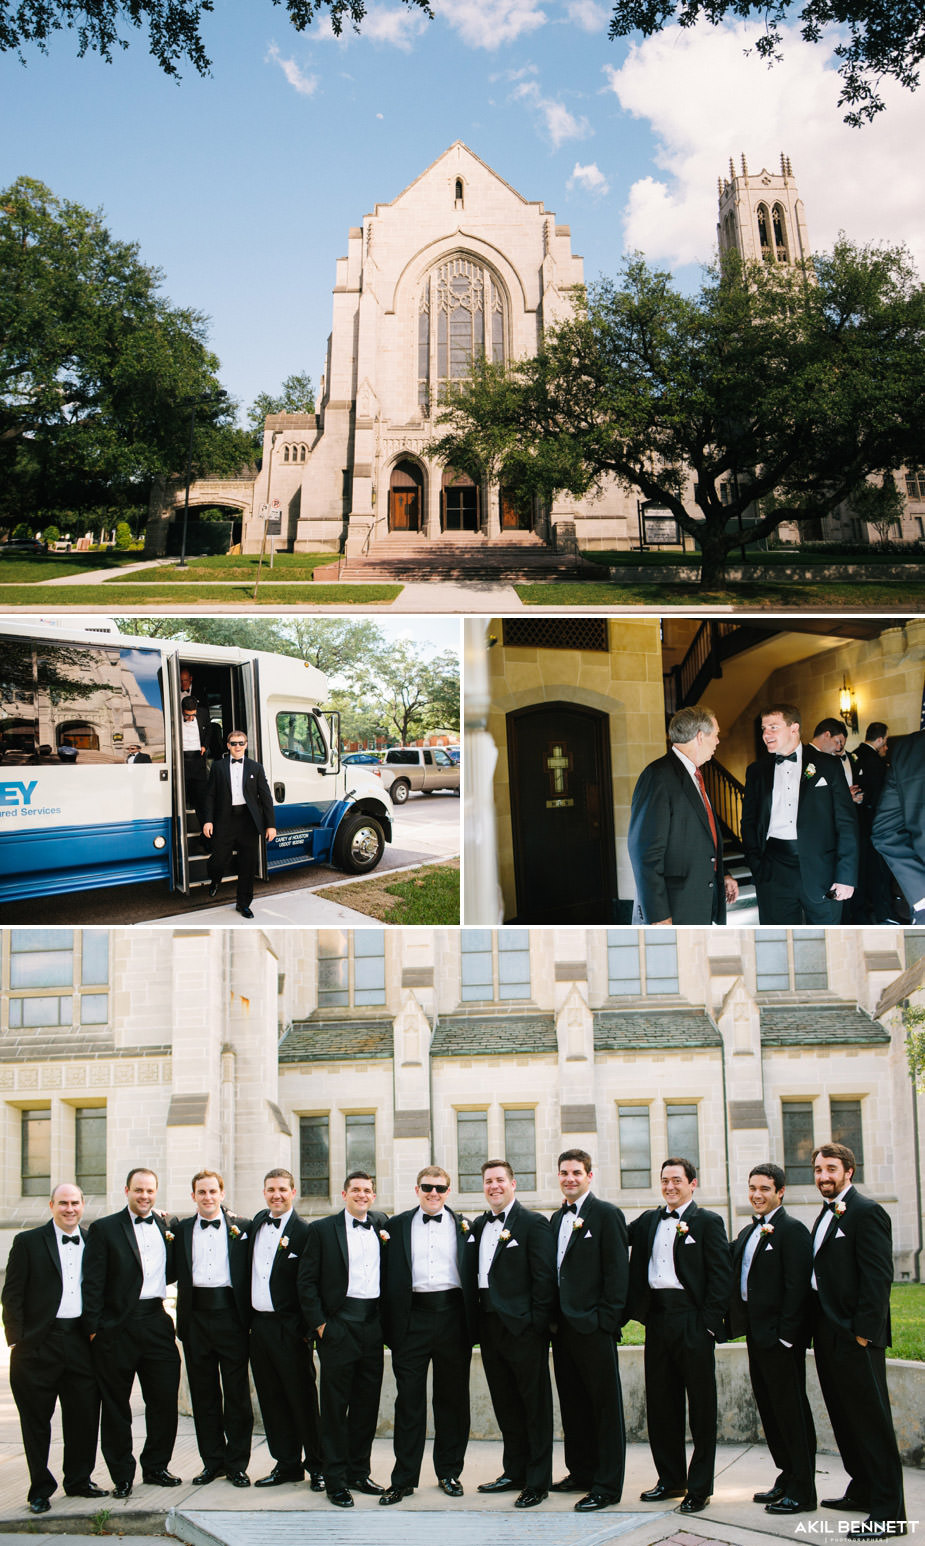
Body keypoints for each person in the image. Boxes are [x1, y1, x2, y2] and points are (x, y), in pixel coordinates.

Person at [810, 1143, 906, 1540]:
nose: (822, 1176)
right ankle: (863, 1489)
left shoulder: (867, 1212)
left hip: (856, 1338)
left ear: (849, 1171)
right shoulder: (827, 1212)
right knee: (846, 1421)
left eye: (830, 1168)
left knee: (870, 1424)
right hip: (828, 1335)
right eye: (817, 1170)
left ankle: (890, 1513)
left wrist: (864, 1332)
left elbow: (877, 1277)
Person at [626, 1157, 731, 1515]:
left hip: (692, 1320)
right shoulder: (649, 1220)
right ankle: (671, 1479)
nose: (670, 1187)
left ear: (692, 1184)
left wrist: (709, 1325)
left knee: (701, 1407)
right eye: (665, 1181)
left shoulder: (708, 1221)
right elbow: (616, 1234)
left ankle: (699, 1487)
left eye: (677, 1180)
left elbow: (721, 1276)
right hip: (658, 1319)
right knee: (661, 1404)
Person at [2, 1183, 107, 1516]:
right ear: (51, 1206)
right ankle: (40, 1489)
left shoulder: (94, 1241)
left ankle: (78, 1480)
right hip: (38, 1345)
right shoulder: (28, 1242)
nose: (70, 1208)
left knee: (84, 1416)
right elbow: (12, 1294)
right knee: (36, 1421)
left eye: (75, 1202)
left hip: (81, 1342)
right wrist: (18, 1340)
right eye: (63, 1203)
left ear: (82, 1205)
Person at [378, 1166, 476, 1505]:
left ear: (449, 1191)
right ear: (416, 1189)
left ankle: (449, 1472)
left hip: (453, 1318)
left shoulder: (466, 1226)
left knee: (452, 1400)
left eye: (440, 1188)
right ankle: (403, 1478)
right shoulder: (394, 1226)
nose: (433, 1193)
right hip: (411, 1320)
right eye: (427, 1187)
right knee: (409, 1402)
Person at [81, 1167, 181, 1499]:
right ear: (127, 1190)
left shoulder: (168, 1225)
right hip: (116, 1327)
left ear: (156, 1192)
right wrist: (94, 1329)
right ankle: (122, 1474)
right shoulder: (104, 1228)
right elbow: (92, 1282)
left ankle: (156, 1466)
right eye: (138, 1190)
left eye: (150, 1191)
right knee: (116, 1407)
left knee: (164, 1400)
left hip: (156, 1320)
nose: (144, 1196)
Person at [298, 1171, 390, 1509]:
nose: (362, 1195)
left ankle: (358, 1472)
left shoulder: (382, 1224)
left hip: (372, 1327)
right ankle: (334, 1480)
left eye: (367, 1190)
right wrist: (321, 1326)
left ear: (373, 1196)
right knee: (336, 1409)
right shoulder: (322, 1230)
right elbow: (306, 1282)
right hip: (338, 1327)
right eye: (356, 1190)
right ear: (344, 1193)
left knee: (366, 1406)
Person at [728, 1164, 816, 1515]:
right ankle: (788, 1474)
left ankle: (804, 1489)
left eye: (764, 1188)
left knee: (791, 1413)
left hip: (780, 1340)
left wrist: (787, 1338)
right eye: (752, 1188)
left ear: (780, 1191)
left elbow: (798, 1288)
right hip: (756, 1334)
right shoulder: (750, 1231)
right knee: (771, 1410)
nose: (756, 1195)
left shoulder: (792, 1231)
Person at [467, 1159, 555, 1510]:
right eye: (488, 1181)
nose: (494, 1186)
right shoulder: (477, 1224)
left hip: (523, 1329)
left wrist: (535, 1325)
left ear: (513, 1184)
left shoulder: (533, 1223)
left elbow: (545, 1279)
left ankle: (537, 1481)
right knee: (505, 1404)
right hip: (489, 1327)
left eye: (500, 1180)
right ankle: (514, 1471)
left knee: (534, 1406)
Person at [550, 1149, 628, 1512]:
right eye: (564, 1172)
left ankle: (607, 1485)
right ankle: (581, 1471)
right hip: (563, 1330)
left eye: (576, 1172)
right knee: (574, 1406)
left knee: (604, 1408)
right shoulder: (555, 1218)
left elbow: (617, 1274)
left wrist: (606, 1322)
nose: (569, 1178)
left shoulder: (607, 1214)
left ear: (589, 1176)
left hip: (594, 1328)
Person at [172, 1170, 253, 1488]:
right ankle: (213, 1462)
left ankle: (237, 1464)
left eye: (212, 1192)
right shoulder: (180, 1229)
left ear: (221, 1193)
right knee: (204, 1395)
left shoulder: (242, 1227)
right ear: (193, 1196)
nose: (207, 1197)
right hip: (195, 1320)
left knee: (236, 1395)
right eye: (201, 1192)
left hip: (231, 1319)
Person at [741, 703, 858, 923]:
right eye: (764, 728)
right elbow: (748, 822)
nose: (766, 734)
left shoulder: (828, 766)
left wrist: (846, 876)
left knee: (827, 941)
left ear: (794, 728)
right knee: (777, 942)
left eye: (773, 727)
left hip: (822, 869)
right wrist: (756, 864)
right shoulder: (756, 771)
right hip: (773, 869)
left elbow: (846, 824)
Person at [247, 1169, 324, 1493]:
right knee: (272, 1399)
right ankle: (287, 1464)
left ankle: (318, 1466)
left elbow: (311, 1283)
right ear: (264, 1192)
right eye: (270, 1189)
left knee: (303, 1400)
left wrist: (307, 1330)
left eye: (282, 1189)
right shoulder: (254, 1226)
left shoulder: (305, 1231)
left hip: (290, 1329)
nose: (276, 1195)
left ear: (293, 1191)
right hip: (259, 1327)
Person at [628, 705, 738, 924]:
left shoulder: (695, 775)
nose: (718, 741)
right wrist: (658, 915)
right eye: (715, 735)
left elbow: (701, 836)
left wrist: (722, 873)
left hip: (699, 903)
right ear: (699, 737)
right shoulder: (658, 776)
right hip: (673, 908)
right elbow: (645, 853)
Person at [202, 730, 276, 919]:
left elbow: (266, 798)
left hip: (248, 822)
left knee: (248, 865)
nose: (237, 746)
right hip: (225, 820)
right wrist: (208, 820)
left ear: (246, 744)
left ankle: (243, 904)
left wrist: (270, 825)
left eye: (241, 743)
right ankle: (215, 878)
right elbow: (210, 796)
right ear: (227, 745)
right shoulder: (218, 767)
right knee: (218, 859)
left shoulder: (256, 768)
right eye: (233, 743)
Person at [873, 728, 925, 924]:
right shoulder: (909, 750)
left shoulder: (909, 748)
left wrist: (920, 895)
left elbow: (885, 831)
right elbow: (885, 830)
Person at [848, 722, 892, 921]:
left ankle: (867, 911)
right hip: (877, 825)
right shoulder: (875, 761)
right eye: (886, 741)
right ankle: (883, 913)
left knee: (864, 872)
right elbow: (880, 796)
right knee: (878, 873)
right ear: (880, 739)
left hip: (858, 825)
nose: (887, 747)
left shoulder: (853, 755)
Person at [180, 697, 210, 835]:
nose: (191, 718)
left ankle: (207, 840)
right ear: (181, 711)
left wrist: (204, 745)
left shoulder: (203, 713)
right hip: (181, 760)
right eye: (187, 715)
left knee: (202, 802)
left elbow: (209, 729)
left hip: (198, 760)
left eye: (193, 715)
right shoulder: (172, 717)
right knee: (180, 799)